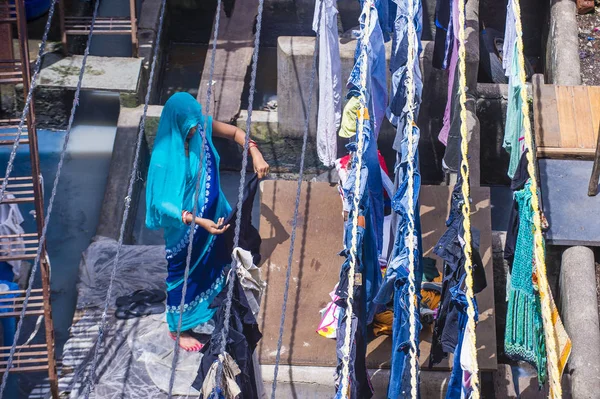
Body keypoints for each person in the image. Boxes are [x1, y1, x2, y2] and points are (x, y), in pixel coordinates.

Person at [145, 92, 269, 351]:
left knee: (218, 262)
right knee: (184, 276)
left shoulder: (199, 124)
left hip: (215, 216)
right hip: (186, 231)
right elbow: (161, 204)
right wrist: (199, 221)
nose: (195, 132)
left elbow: (235, 133)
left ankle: (212, 303)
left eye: (196, 126)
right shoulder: (163, 157)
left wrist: (255, 152)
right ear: (177, 124)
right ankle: (179, 328)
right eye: (189, 129)